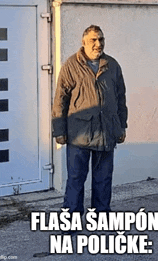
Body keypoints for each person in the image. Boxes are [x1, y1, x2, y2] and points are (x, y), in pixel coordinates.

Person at [52, 25, 127, 216]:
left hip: (106, 132)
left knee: (103, 179)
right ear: (84, 42)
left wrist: (121, 126)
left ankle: (100, 216)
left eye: (101, 39)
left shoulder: (112, 65)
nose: (98, 44)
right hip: (80, 134)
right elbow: (60, 99)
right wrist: (59, 130)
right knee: (76, 179)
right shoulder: (71, 65)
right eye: (93, 40)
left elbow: (120, 98)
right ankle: (71, 219)